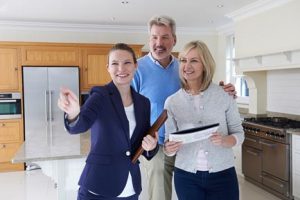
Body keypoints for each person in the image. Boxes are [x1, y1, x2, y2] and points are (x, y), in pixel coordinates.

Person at [132, 15, 237, 200]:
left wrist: (223, 90)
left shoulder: (182, 64)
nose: (159, 42)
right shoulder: (137, 69)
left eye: (165, 37)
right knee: (160, 195)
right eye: (154, 37)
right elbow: (127, 109)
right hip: (157, 145)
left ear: (174, 40)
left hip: (191, 145)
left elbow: (203, 90)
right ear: (149, 39)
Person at [57, 43, 159, 200]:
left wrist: (151, 146)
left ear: (135, 66)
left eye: (127, 63)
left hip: (130, 188)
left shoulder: (144, 103)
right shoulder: (100, 96)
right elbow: (80, 124)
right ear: (108, 68)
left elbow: (143, 141)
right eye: (115, 64)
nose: (121, 69)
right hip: (98, 187)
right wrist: (74, 113)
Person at [163, 40, 244, 200]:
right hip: (186, 176)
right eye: (184, 60)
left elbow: (239, 133)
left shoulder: (224, 95)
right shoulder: (172, 102)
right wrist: (169, 148)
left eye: (194, 60)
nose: (187, 66)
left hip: (223, 174)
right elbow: (168, 143)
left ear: (205, 64)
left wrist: (225, 141)